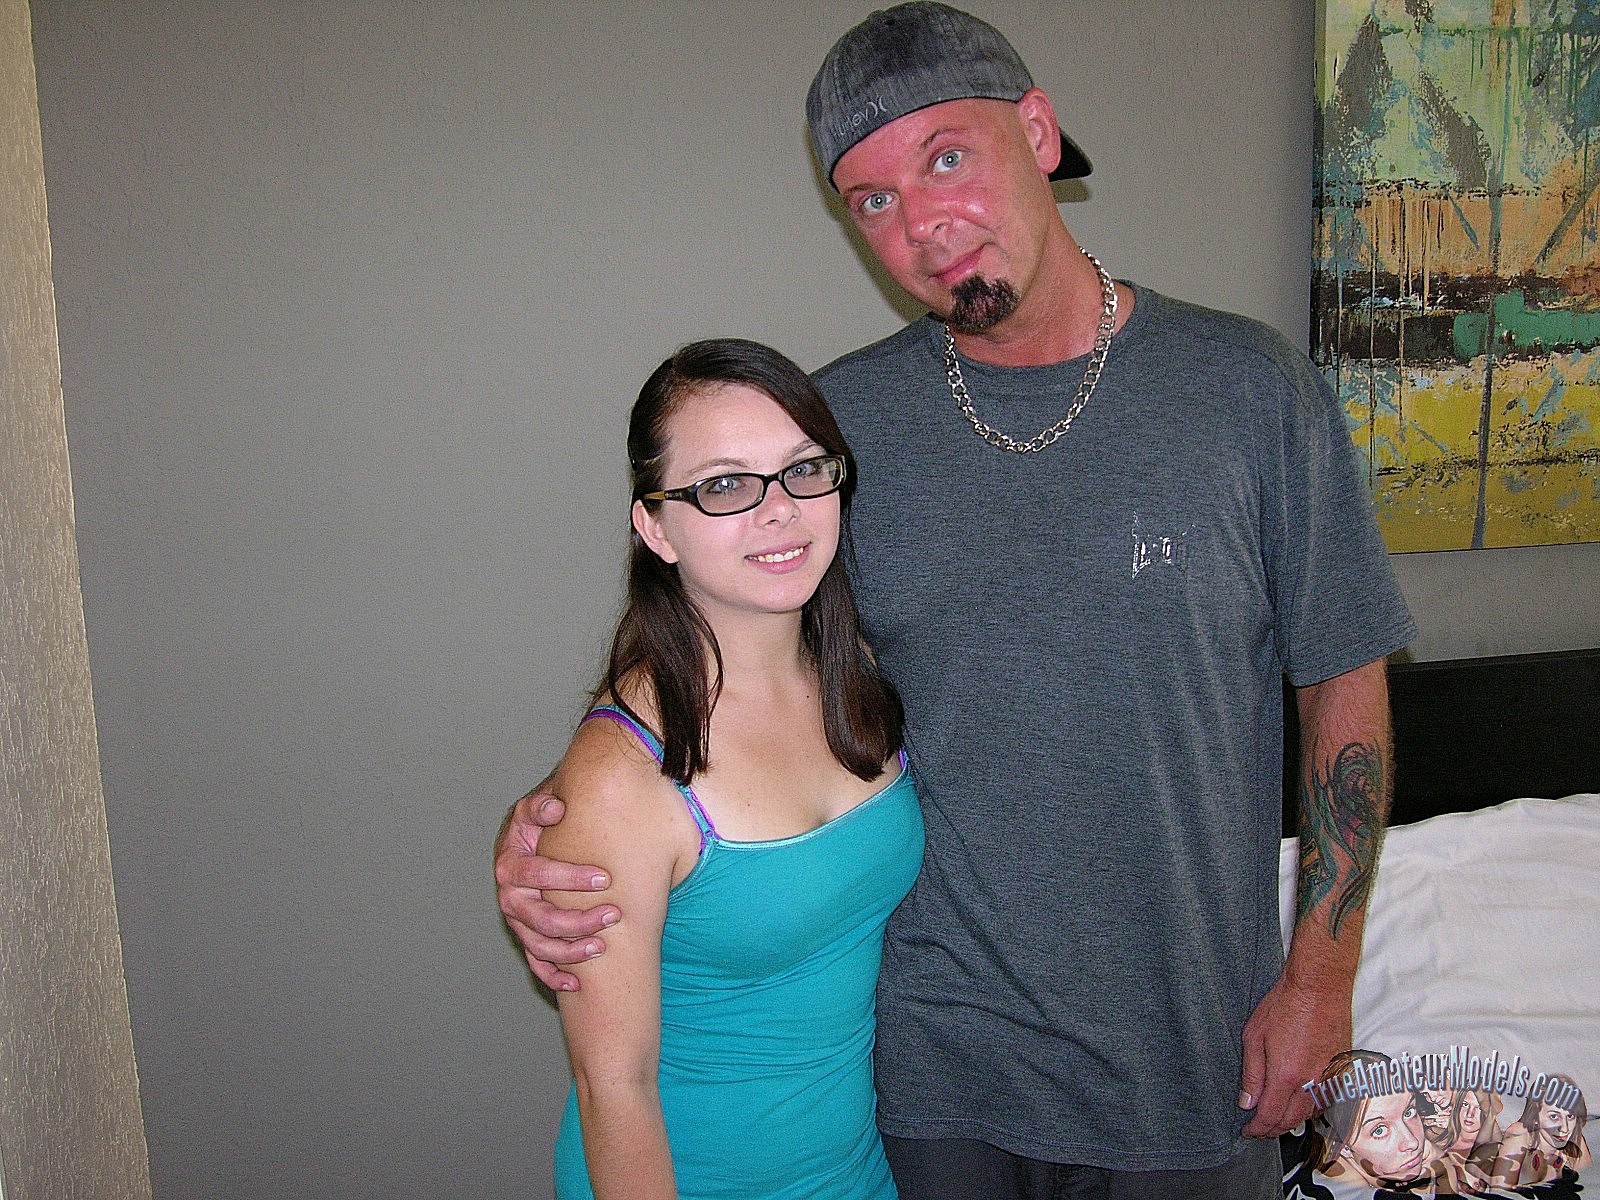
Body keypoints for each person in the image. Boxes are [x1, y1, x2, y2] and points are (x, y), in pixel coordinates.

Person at [497, 5, 1417, 1198]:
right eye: (872, 198)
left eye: (946, 157)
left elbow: (1343, 682)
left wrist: (1320, 981)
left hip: (1187, 1059)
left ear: (1036, 132)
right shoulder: (830, 438)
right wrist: (563, 825)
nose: (923, 224)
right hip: (930, 1080)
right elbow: (724, 662)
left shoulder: (1250, 392)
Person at [542, 338, 923, 1199]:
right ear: (655, 527)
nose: (778, 509)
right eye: (723, 486)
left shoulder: (860, 676)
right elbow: (614, 1088)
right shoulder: (620, 776)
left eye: (803, 470)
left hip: (859, 1172)